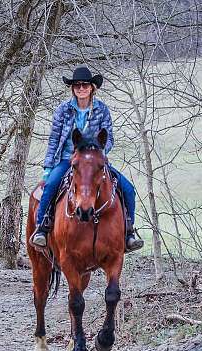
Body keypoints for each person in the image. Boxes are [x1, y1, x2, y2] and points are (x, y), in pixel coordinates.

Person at [30, 66, 144, 252]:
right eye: (77, 85)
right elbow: (54, 139)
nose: (81, 88)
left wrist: (97, 155)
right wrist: (48, 169)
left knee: (128, 189)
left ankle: (128, 233)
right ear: (72, 88)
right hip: (68, 160)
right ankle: (42, 229)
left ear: (92, 88)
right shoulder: (63, 110)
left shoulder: (102, 110)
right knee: (50, 186)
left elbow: (109, 138)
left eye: (85, 85)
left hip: (95, 162)